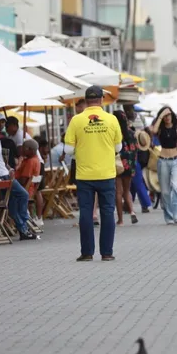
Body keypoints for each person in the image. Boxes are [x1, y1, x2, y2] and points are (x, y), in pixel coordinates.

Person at [64, 85, 123, 261]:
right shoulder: (112, 119)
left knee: (86, 212)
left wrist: (80, 151)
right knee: (107, 212)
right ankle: (107, 253)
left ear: (86, 100)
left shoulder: (76, 120)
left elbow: (67, 150)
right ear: (101, 100)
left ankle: (87, 253)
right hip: (106, 173)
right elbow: (118, 147)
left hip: (84, 175)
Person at [0, 113, 36, 240]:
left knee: (12, 203)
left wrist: (8, 167)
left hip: (2, 172)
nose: (1, 124)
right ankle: (24, 220)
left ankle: (23, 230)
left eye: (3, 122)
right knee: (23, 195)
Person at [151, 106, 177, 224]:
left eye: (169, 115)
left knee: (175, 186)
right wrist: (161, 115)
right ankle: (169, 216)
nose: (167, 118)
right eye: (165, 116)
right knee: (165, 191)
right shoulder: (160, 129)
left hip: (176, 160)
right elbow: (153, 131)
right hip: (162, 160)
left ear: (173, 115)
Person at [124, 104, 151, 213]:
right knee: (135, 181)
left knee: (135, 180)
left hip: (137, 153)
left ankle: (133, 204)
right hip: (136, 152)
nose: (128, 111)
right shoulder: (128, 121)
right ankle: (133, 204)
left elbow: (147, 132)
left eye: (129, 109)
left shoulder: (137, 119)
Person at [114, 110, 139, 226]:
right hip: (130, 165)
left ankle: (120, 220)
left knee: (118, 192)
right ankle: (132, 212)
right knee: (127, 191)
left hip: (118, 165)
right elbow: (136, 149)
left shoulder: (115, 133)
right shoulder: (131, 133)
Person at [14, 139, 42, 225]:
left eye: (24, 148)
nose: (21, 149)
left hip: (24, 190)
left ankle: (15, 222)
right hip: (30, 189)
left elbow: (23, 179)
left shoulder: (30, 161)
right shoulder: (35, 160)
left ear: (31, 150)